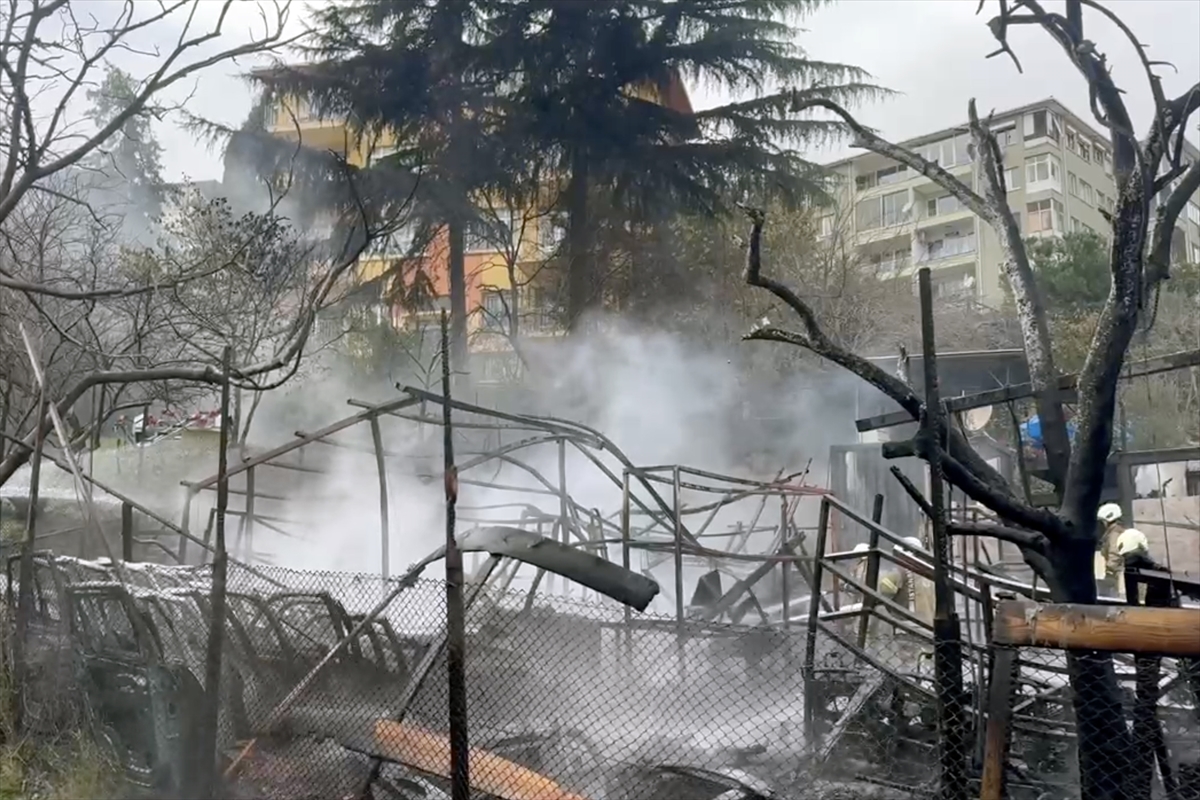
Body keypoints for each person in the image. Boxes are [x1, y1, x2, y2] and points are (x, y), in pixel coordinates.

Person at [1096, 502, 1142, 600]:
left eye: (1103, 521)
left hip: (1118, 574)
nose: (1102, 524)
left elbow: (1114, 553)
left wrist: (1110, 571)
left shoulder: (1114, 534)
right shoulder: (1118, 531)